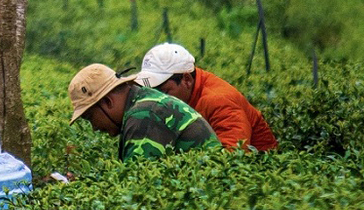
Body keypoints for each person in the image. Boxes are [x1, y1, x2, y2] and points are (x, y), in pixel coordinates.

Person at [137, 41, 277, 151]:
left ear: (187, 80)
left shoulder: (219, 101)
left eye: (165, 91)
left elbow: (233, 156)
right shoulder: (189, 91)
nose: (158, 99)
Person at [68, 62, 219, 162]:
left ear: (108, 102)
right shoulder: (145, 103)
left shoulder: (145, 115)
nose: (94, 127)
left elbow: (135, 186)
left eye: (90, 118)